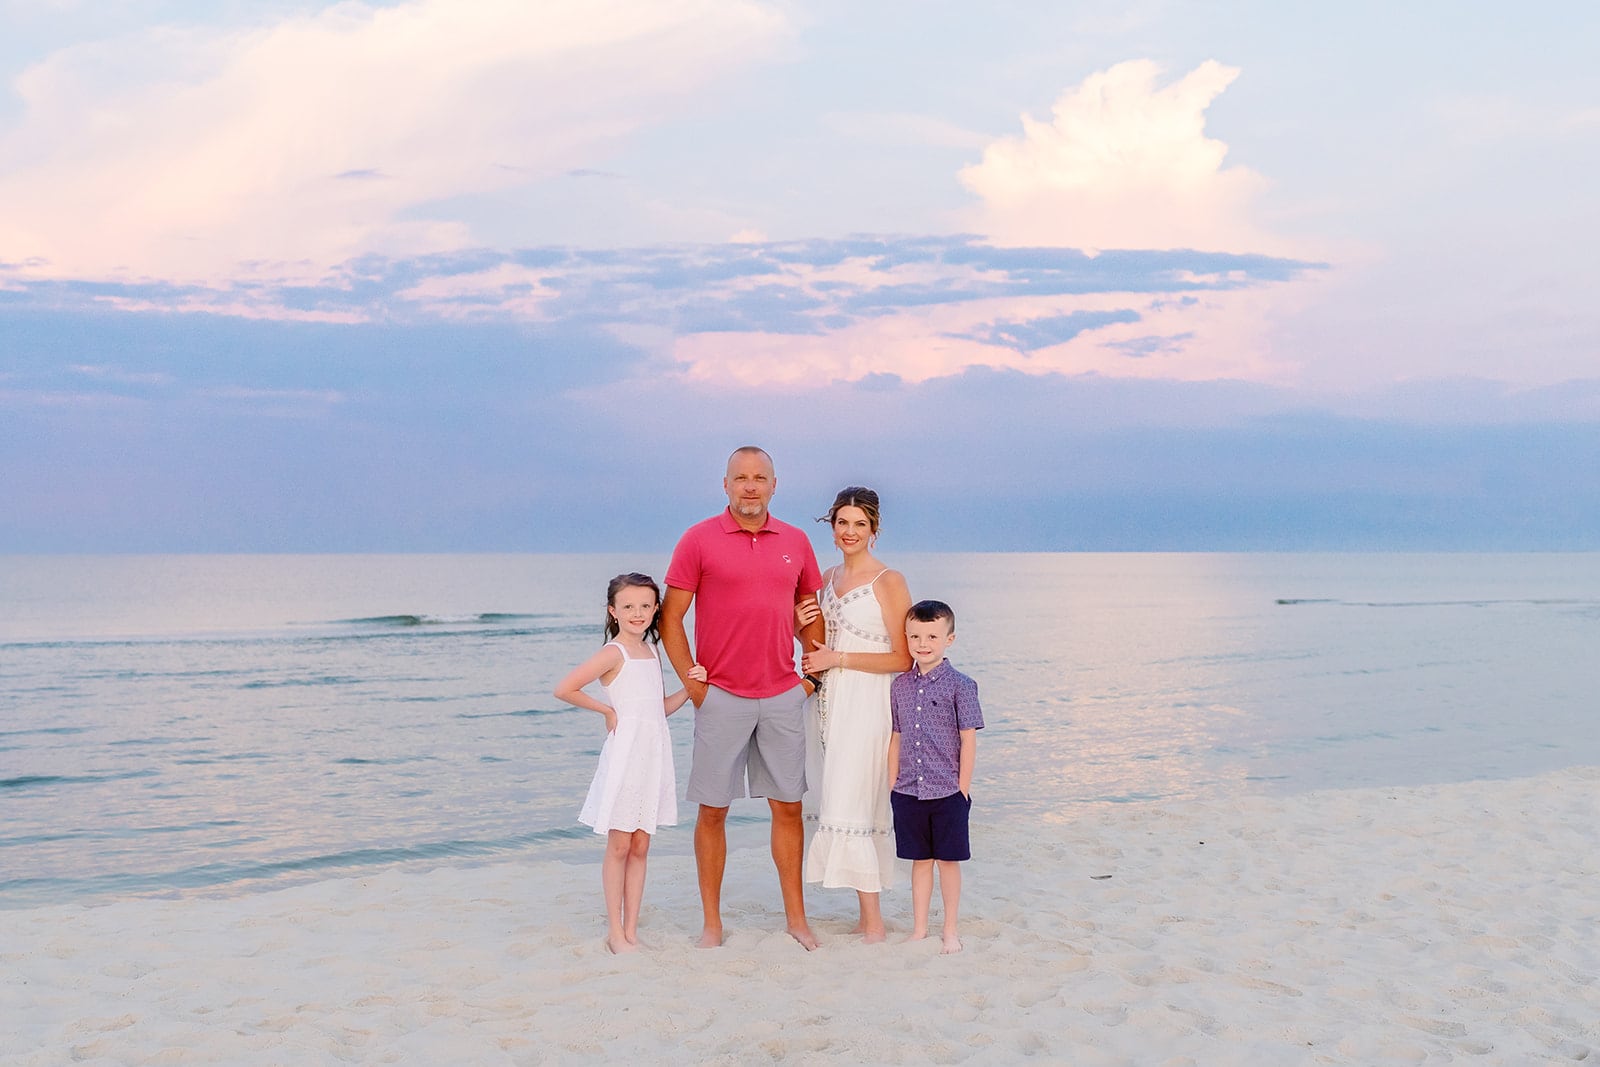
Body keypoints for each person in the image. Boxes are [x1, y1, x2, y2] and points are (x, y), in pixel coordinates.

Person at [660, 446, 826, 949]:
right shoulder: (698, 539)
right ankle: (712, 924)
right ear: (726, 485)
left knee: (789, 808)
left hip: (781, 694)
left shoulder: (796, 541)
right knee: (712, 810)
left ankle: (796, 919)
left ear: (774, 484)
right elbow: (671, 617)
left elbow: (811, 613)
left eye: (759, 478)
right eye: (740, 479)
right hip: (722, 696)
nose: (750, 487)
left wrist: (811, 677)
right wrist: (694, 686)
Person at [553, 572, 704, 955]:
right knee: (619, 844)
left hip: (652, 756)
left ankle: (633, 931)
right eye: (628, 606)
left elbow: (656, 711)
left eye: (645, 605)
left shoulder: (652, 652)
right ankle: (615, 933)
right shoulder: (613, 653)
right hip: (625, 757)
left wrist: (690, 688)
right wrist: (606, 710)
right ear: (613, 610)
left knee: (641, 845)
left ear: (656, 609)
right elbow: (564, 688)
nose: (637, 613)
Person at [797, 486, 912, 943]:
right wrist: (797, 623)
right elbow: (816, 645)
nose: (849, 532)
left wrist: (838, 661)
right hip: (827, 702)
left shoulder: (888, 580)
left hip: (868, 701)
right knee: (834, 795)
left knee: (857, 799)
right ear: (831, 525)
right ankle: (866, 918)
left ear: (874, 529)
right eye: (842, 523)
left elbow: (903, 657)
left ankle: (875, 924)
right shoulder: (826, 578)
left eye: (859, 524)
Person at [888, 599, 984, 954]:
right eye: (914, 636)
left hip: (948, 791)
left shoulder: (962, 685)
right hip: (908, 790)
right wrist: (892, 783)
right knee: (919, 861)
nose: (922, 643)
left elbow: (968, 737)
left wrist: (963, 789)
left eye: (931, 636)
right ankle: (918, 929)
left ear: (950, 639)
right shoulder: (899, 686)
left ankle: (950, 929)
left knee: (948, 861)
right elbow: (896, 736)